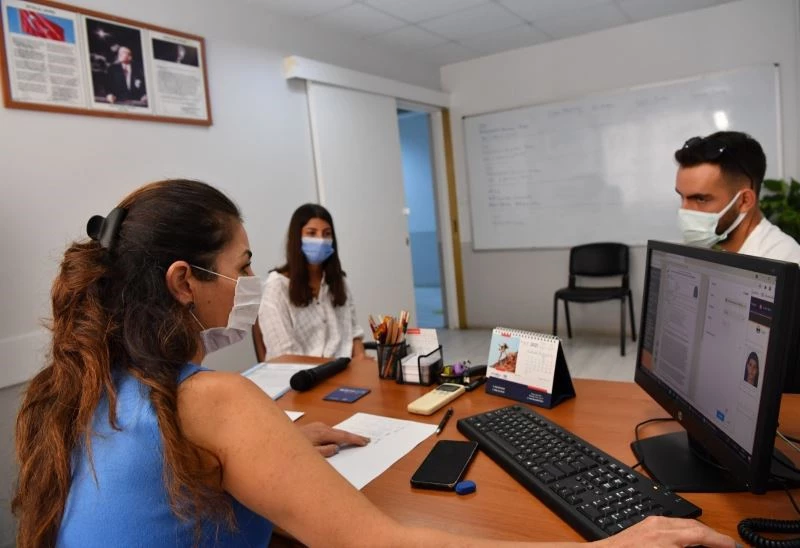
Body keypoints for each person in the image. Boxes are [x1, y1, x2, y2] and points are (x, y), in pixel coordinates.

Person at [13, 179, 737, 548]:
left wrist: (270, 446)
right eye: (240, 265)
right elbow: (377, 542)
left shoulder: (87, 385)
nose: (249, 281)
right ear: (183, 281)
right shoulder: (213, 401)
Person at [258, 203, 370, 360]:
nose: (321, 240)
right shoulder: (276, 287)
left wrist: (360, 357)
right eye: (311, 233)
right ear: (297, 238)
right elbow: (283, 354)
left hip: (343, 367)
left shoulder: (340, 281)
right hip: (299, 372)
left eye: (327, 234)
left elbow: (353, 331)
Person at [674, 131, 800, 262]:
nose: (684, 210)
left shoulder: (785, 260)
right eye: (682, 196)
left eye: (700, 199)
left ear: (744, 201)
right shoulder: (704, 249)